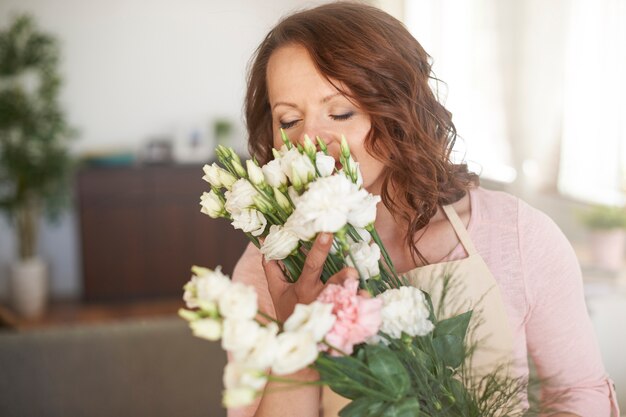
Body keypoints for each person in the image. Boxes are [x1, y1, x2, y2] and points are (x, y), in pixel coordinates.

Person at [229, 2, 620, 416]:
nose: (309, 141)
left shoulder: (519, 237)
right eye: (288, 120)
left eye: (341, 112)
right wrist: (299, 341)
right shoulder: (272, 267)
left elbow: (578, 394)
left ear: (401, 107)